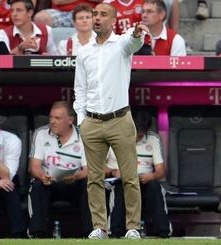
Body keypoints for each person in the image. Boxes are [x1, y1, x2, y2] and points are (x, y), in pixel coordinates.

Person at [73, 3, 148, 239]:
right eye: (95, 14)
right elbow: (80, 90)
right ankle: (99, 227)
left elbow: (134, 42)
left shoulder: (122, 44)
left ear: (113, 20)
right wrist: (82, 121)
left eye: (103, 14)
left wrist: (137, 34)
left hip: (120, 120)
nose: (97, 18)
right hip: (92, 123)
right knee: (94, 180)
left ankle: (133, 227)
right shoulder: (84, 51)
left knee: (129, 178)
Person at [28, 101, 93, 238]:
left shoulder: (84, 136)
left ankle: (89, 233)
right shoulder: (41, 133)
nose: (52, 121)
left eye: (57, 118)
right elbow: (34, 167)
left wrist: (75, 176)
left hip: (73, 183)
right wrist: (42, 176)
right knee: (38, 185)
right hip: (49, 183)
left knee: (89, 183)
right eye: (51, 117)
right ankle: (38, 234)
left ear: (70, 120)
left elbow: (89, 170)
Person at [106, 110, 171, 238]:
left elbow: (161, 171)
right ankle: (114, 232)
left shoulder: (153, 139)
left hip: (143, 181)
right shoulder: (113, 137)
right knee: (120, 188)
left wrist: (151, 176)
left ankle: (163, 233)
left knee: (155, 187)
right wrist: (114, 171)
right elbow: (98, 167)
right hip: (120, 180)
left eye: (140, 135)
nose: (136, 137)